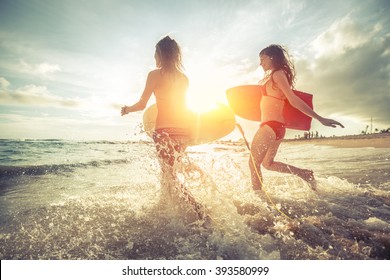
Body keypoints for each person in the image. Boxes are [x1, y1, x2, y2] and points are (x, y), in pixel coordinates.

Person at [121, 36, 204, 220]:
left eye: (155, 53)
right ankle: (166, 206)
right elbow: (184, 107)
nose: (154, 57)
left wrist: (127, 109)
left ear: (160, 54)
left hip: (164, 132)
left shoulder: (154, 75)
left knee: (169, 175)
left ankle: (197, 209)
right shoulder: (184, 78)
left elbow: (142, 105)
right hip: (182, 131)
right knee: (170, 172)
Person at [249, 44, 344, 191]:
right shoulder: (276, 76)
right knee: (267, 164)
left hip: (269, 126)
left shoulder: (277, 75)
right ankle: (304, 174)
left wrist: (320, 118)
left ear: (272, 57)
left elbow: (293, 100)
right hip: (278, 129)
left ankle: (259, 199)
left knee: (253, 164)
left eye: (263, 59)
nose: (260, 63)